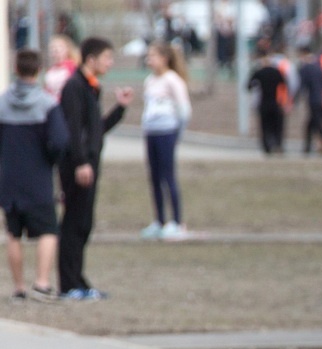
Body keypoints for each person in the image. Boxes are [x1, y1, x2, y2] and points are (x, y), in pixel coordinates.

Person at [58, 36, 133, 301]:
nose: (110, 63)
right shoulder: (74, 87)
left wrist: (120, 109)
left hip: (90, 163)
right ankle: (68, 285)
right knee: (73, 223)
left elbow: (95, 131)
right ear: (91, 59)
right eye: (107, 58)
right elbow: (73, 130)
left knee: (84, 223)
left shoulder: (91, 88)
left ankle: (78, 280)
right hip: (79, 166)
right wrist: (80, 163)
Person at [0, 49, 69, 302]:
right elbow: (60, 140)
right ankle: (41, 282)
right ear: (38, 70)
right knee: (48, 230)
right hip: (38, 176)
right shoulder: (47, 104)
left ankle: (18, 287)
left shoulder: (3, 102)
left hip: (9, 177)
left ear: (16, 69)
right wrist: (51, 159)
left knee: (13, 233)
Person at [140, 42, 191, 241]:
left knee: (168, 177)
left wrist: (178, 133)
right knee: (154, 178)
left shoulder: (173, 80)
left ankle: (177, 222)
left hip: (167, 132)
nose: (149, 60)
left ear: (164, 58)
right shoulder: (150, 80)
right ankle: (159, 221)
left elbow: (184, 110)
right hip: (150, 132)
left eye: (152, 56)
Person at [296, 44, 322, 154]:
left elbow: (301, 86)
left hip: (314, 100)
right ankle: (307, 147)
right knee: (311, 124)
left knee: (319, 126)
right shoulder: (319, 66)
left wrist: (295, 100)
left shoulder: (305, 68)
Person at [247, 47, 287, 154]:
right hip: (275, 102)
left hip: (264, 102)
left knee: (265, 127)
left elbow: (248, 86)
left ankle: (267, 147)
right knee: (277, 126)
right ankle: (278, 144)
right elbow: (284, 85)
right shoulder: (276, 72)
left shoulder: (259, 72)